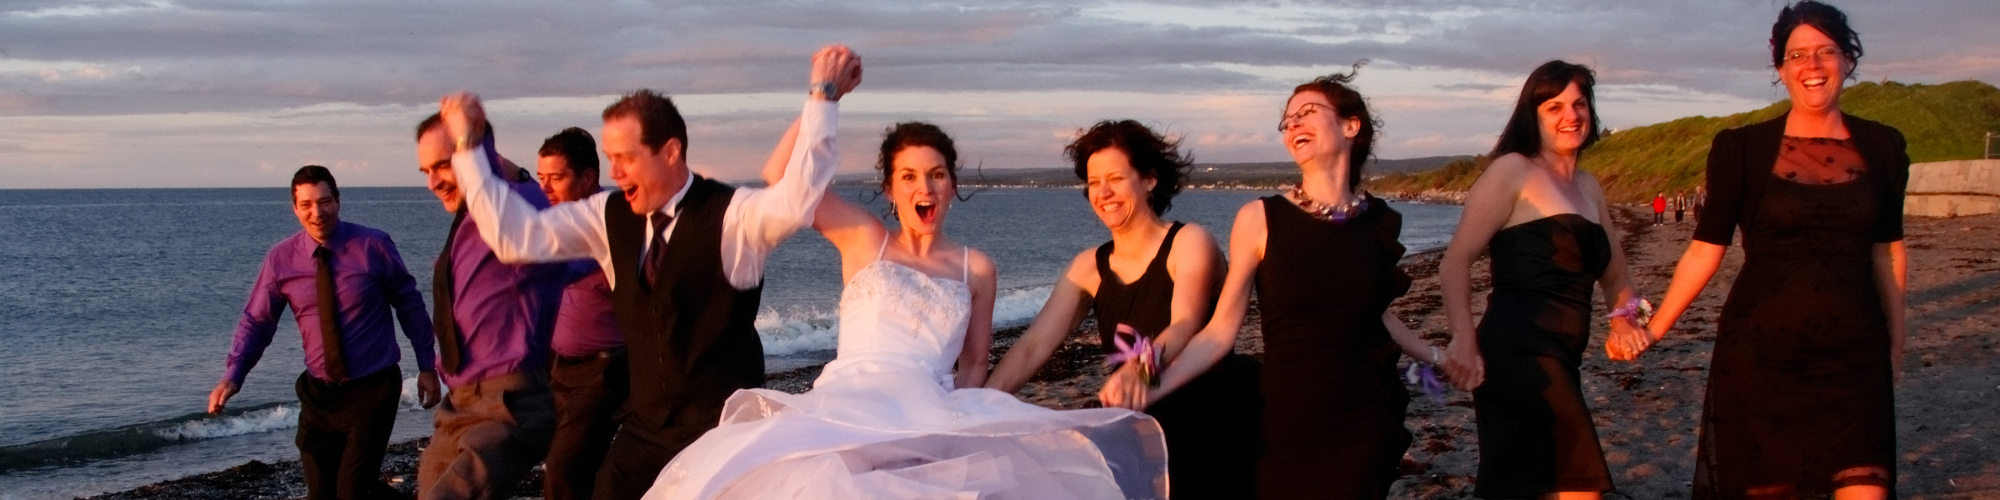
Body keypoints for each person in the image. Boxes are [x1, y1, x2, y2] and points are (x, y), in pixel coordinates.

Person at [641, 121, 1169, 500]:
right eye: (910, 176)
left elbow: (975, 365)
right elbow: (781, 174)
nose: (925, 187)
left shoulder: (976, 268)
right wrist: (823, 97)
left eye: (937, 175)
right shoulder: (862, 238)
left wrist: (960, 428)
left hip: (929, 407)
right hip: (847, 404)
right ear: (890, 189)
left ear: (953, 186)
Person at [438, 45, 862, 500]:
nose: (615, 172)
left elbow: (798, 199)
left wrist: (823, 97)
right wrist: (468, 149)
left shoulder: (734, 216)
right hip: (646, 429)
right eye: (610, 157)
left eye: (626, 157)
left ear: (671, 152)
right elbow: (514, 238)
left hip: (723, 431)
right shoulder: (607, 216)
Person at [1109, 68, 1436, 499]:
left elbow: (1375, 313)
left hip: (1361, 423)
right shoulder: (1260, 219)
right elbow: (1219, 333)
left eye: (1308, 112)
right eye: (1288, 120)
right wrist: (1148, 379)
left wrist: (1438, 355)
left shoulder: (1377, 223)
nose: (1294, 124)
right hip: (1284, 428)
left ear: (1350, 126)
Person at [1633, 2, 1909, 498]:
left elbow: (1888, 252)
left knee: (1868, 487)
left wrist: (1896, 344)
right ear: (1780, 68)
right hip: (1761, 359)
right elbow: (1704, 251)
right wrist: (1653, 330)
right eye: (1798, 54)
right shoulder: (1742, 149)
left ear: (1848, 59)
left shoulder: (1885, 146)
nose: (1812, 65)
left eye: (1826, 51)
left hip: (1855, 356)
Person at [985, 119, 1259, 498]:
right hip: (1143, 434)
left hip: (1214, 426)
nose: (1103, 192)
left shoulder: (1190, 242)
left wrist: (1139, 370)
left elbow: (1185, 323)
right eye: (1094, 182)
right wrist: (982, 403)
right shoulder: (1087, 268)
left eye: (1115, 178)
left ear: (1149, 179)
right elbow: (1033, 346)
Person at [1437, 60, 1645, 500]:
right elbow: (1455, 260)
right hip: (1518, 352)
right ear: (1532, 115)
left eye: (1579, 103)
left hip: (1565, 358)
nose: (1571, 115)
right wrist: (1462, 338)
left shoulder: (1589, 187)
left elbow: (1618, 276)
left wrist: (1626, 319)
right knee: (1577, 486)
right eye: (1554, 106)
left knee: (1533, 487)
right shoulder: (1513, 170)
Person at [211, 165, 442, 500]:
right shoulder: (281, 260)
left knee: (350, 492)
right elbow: (258, 321)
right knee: (321, 493)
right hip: (319, 395)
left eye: (324, 202)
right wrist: (234, 375)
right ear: (295, 208)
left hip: (373, 389)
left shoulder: (372, 245)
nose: (316, 213)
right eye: (306, 204)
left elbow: (409, 304)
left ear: (338, 201)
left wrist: (426, 366)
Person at [414, 112, 568, 499]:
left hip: (509, 404)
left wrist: (482, 145)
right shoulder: (467, 226)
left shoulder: (516, 214)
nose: (433, 182)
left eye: (443, 165)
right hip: (458, 405)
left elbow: (536, 209)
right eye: (425, 170)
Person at [534, 127, 628, 500]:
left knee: (562, 470)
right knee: (572, 465)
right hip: (559, 366)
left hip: (605, 371)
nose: (546, 189)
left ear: (588, 177)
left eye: (556, 178)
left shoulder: (615, 218)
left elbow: (569, 268)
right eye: (541, 178)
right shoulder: (557, 216)